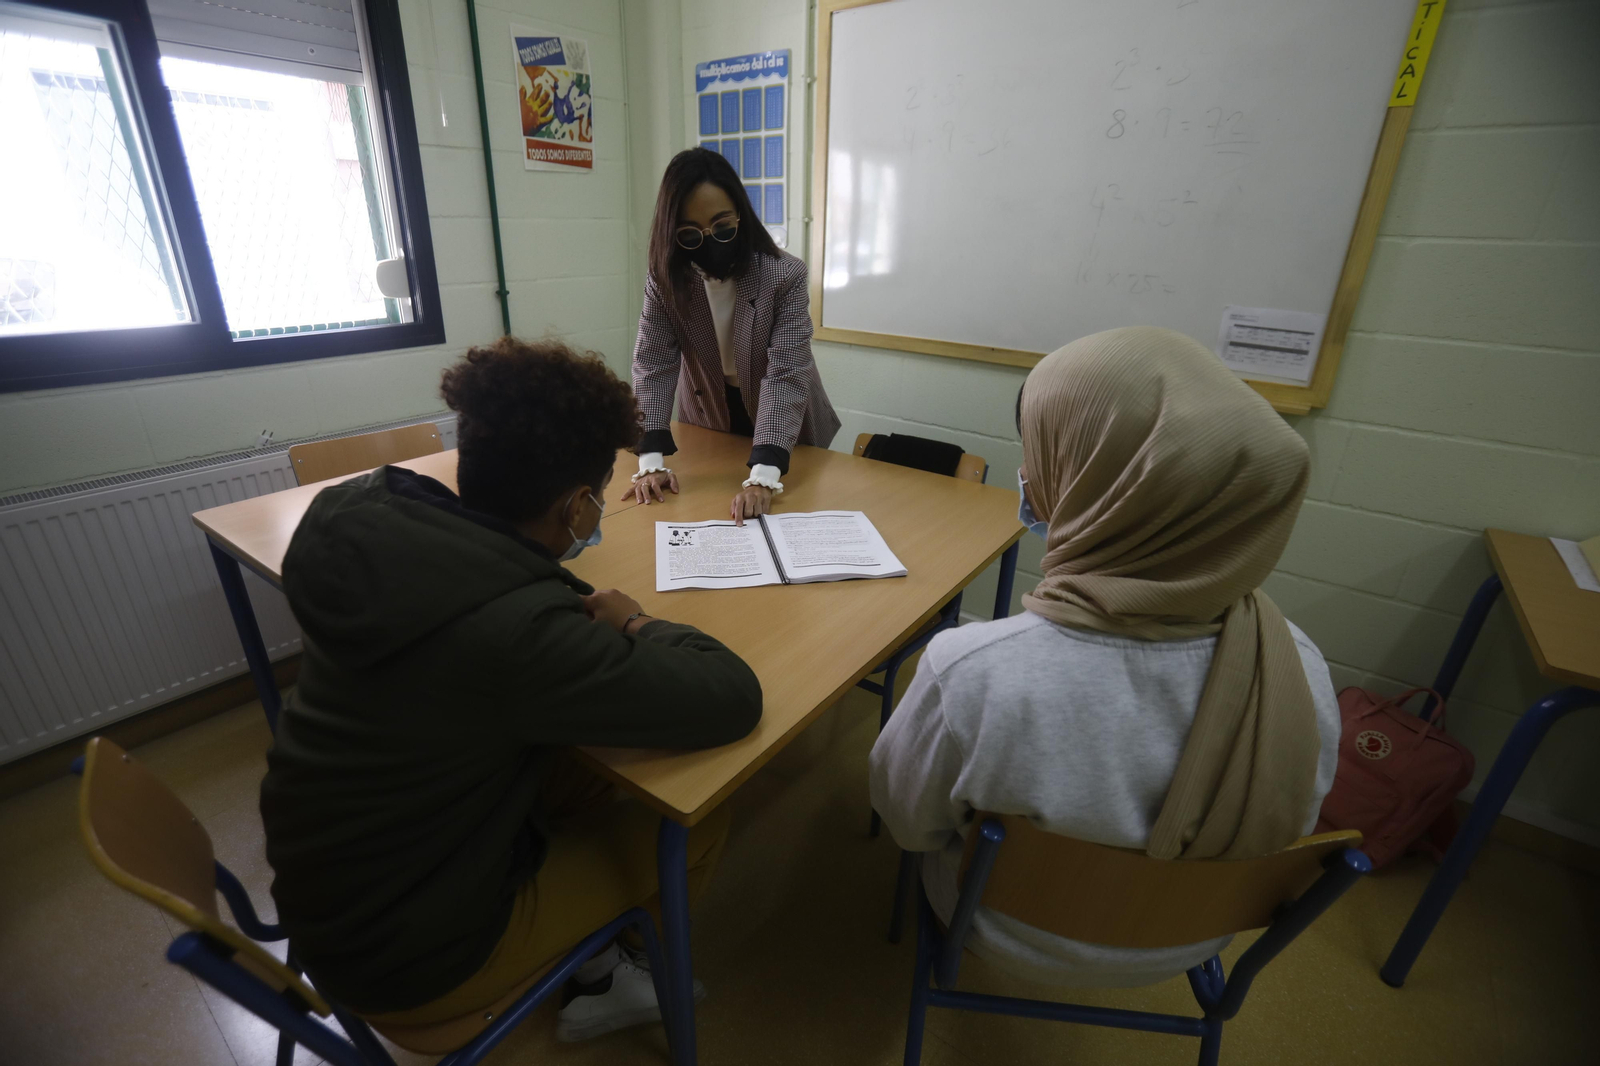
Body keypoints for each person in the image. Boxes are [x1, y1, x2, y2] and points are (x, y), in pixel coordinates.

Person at [260, 337, 762, 1042]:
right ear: (580, 507)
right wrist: (639, 621)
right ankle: (613, 981)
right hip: (409, 956)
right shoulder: (518, 632)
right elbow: (731, 694)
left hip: (330, 883)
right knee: (697, 818)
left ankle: (591, 963)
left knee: (585, 769)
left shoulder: (361, 520)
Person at [869, 326, 1342, 988]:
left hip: (1000, 929)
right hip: (1191, 936)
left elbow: (907, 823)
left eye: (1045, 454)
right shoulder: (1298, 666)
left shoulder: (972, 669)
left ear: (1103, 484)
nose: (1029, 475)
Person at [623, 147, 840, 524]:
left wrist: (764, 478)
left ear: (741, 214)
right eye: (691, 234)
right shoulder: (665, 280)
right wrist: (651, 461)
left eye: (723, 226)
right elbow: (653, 362)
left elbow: (786, 374)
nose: (711, 241)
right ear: (673, 234)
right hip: (710, 414)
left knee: (788, 522)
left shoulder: (784, 275)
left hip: (784, 420)